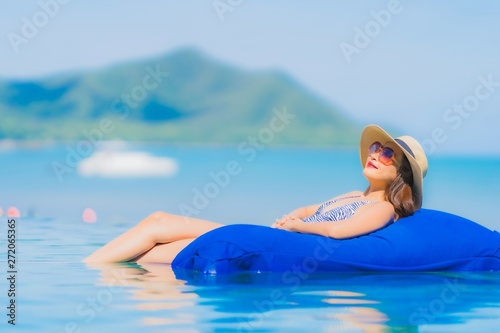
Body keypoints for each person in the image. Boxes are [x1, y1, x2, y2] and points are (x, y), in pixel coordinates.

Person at [83, 124, 428, 264]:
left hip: (279, 242)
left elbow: (336, 232)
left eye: (387, 154)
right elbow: (312, 208)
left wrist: (297, 226)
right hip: (276, 233)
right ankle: (97, 270)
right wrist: (296, 215)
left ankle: (86, 271)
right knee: (154, 253)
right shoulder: (355, 193)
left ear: (402, 175)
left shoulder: (382, 208)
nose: (375, 153)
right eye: (376, 147)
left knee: (159, 222)